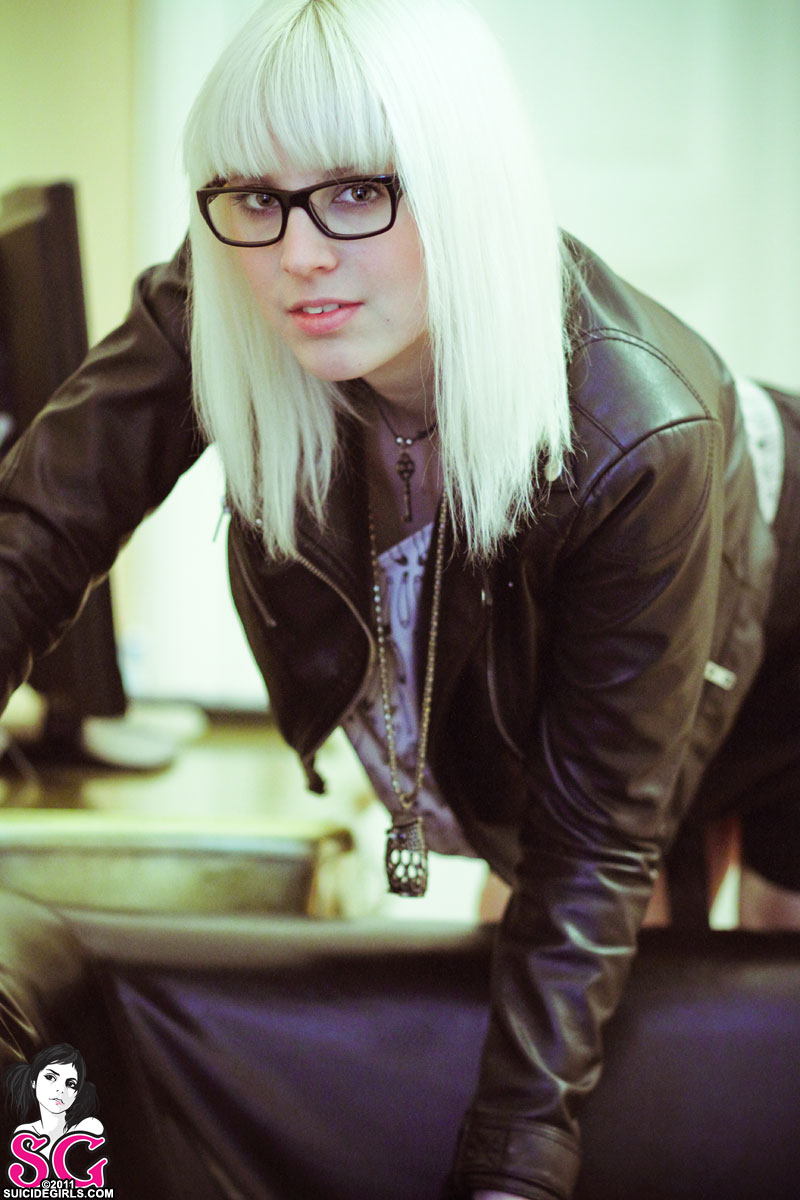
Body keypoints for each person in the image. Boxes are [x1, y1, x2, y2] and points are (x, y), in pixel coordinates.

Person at [0, 0, 798, 1196]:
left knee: (736, 1049)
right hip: (615, 692)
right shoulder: (221, 295)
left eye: (358, 190)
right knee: (509, 1004)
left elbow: (589, 851)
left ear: (466, 188)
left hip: (781, 650)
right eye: (254, 195)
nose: (298, 254)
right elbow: (30, 541)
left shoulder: (635, 432)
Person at [2, 1043, 103, 1178]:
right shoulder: (23, 1134)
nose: (60, 1090)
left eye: (71, 1084)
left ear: (77, 1093)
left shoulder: (89, 1127)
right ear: (33, 1081)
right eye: (50, 1077)